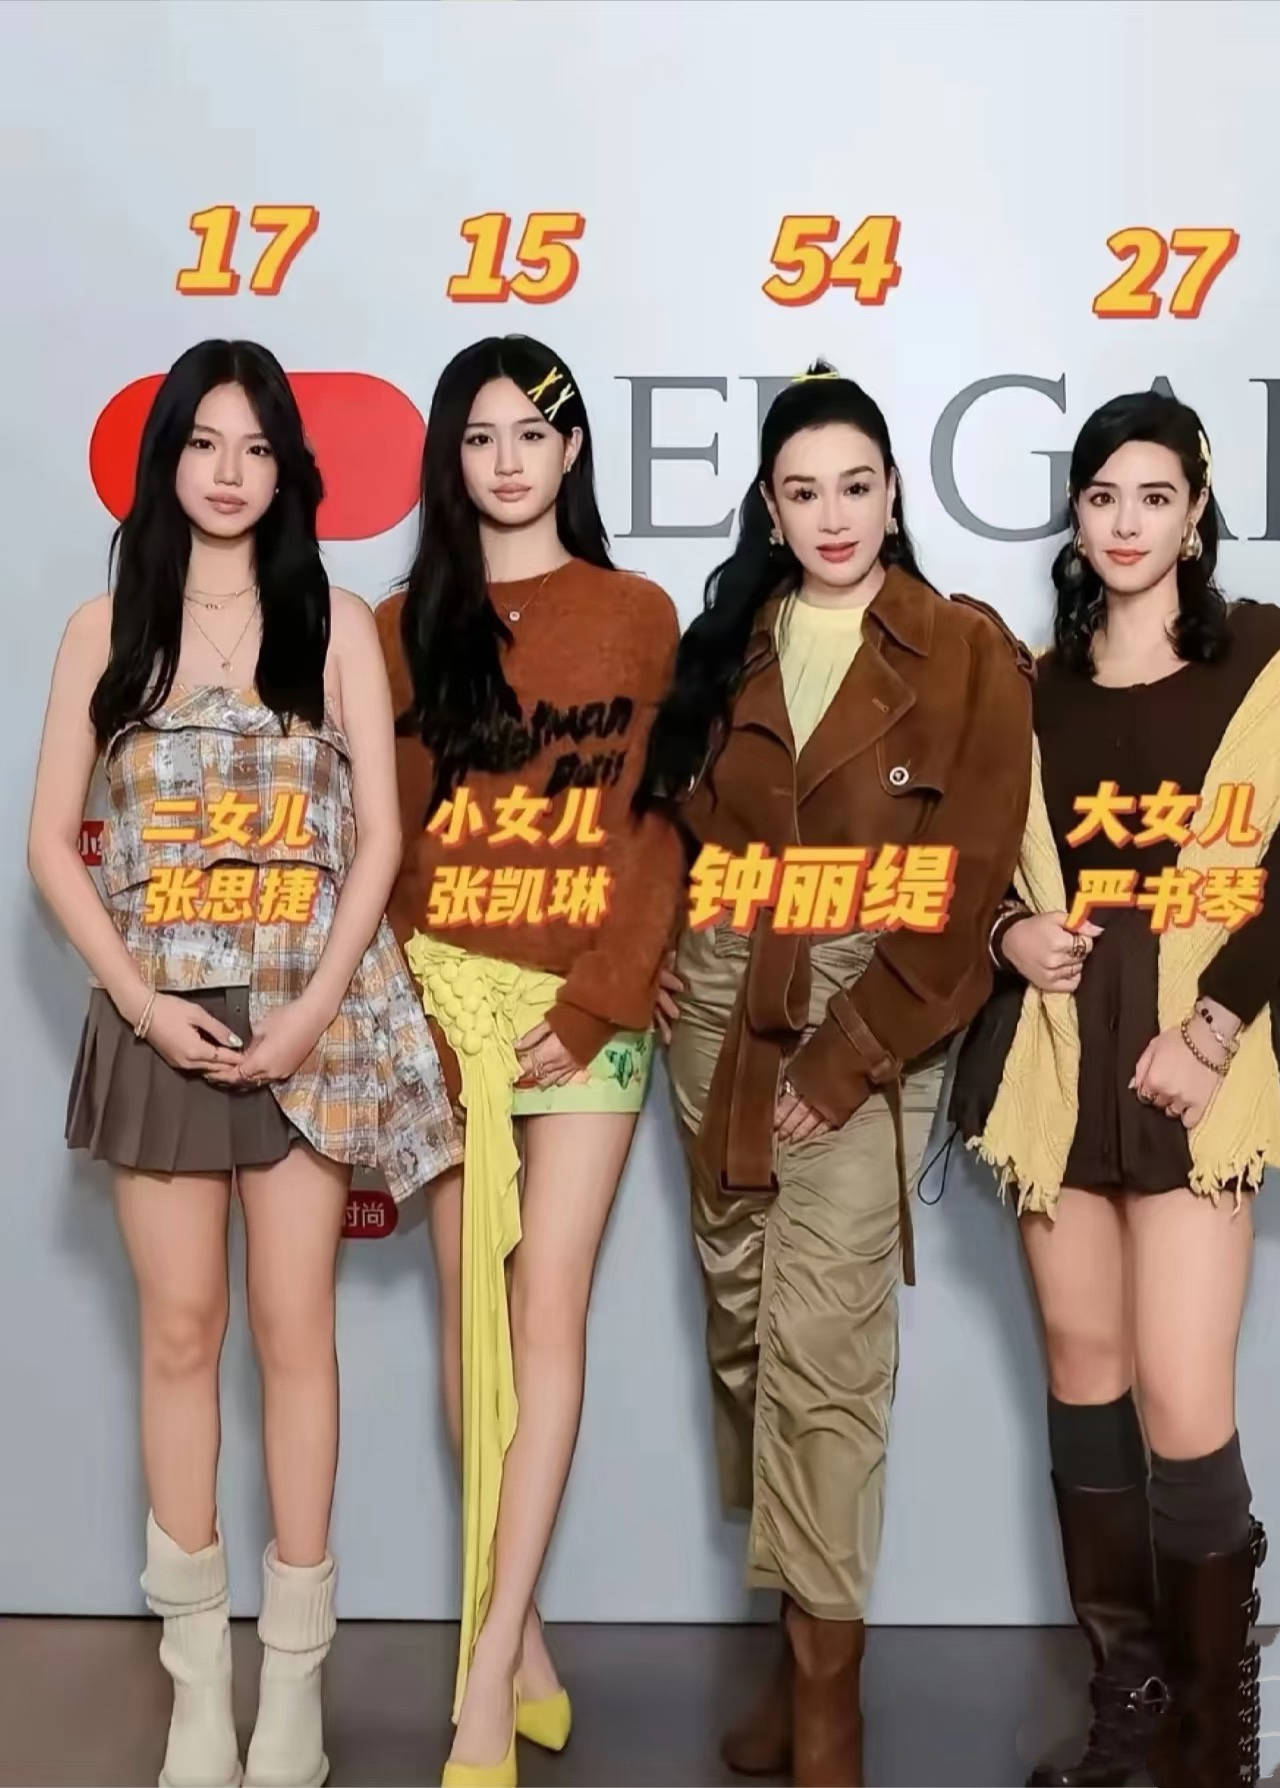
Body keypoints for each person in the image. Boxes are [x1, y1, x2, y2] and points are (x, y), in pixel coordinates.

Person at [951, 391, 1280, 1788]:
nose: (1127, 522)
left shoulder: (1268, 659)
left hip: (1194, 1054)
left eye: (1155, 496)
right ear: (1076, 515)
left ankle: (1213, 1735)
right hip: (1060, 1056)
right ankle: (1132, 1704)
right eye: (1103, 497)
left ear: (1197, 512)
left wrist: (1209, 1034)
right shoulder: (1033, 685)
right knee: (1082, 1374)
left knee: (1182, 1392)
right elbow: (986, 864)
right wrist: (1008, 936)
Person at [27, 338, 461, 1788]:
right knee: (178, 1335)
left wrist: (313, 1009)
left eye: (256, 447)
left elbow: (379, 843)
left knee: (295, 1337)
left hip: (305, 1021)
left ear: (288, 472)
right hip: (161, 1016)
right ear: (166, 462)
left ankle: (295, 1693)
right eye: (204, 443)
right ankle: (197, 1692)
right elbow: (50, 846)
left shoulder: (332, 624)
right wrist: (144, 1007)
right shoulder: (106, 628)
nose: (228, 472)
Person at [640, 363, 1034, 1788]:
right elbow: (675, 828)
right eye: (803, 492)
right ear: (769, 506)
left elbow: (968, 879)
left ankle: (830, 1709)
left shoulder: (965, 650)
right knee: (747, 1342)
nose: (833, 515)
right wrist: (673, 943)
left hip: (874, 1012)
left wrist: (859, 1049)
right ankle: (786, 1649)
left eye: (856, 485)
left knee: (829, 1354)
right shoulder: (726, 646)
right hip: (719, 1018)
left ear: (894, 490)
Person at [375, 335, 681, 1787]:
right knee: (471, 1332)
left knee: (545, 1309)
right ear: (453, 458)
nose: (507, 460)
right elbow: (388, 847)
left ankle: (487, 1668)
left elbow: (659, 827)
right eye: (479, 436)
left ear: (571, 452)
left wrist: (605, 999)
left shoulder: (636, 614)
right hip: (446, 1007)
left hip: (585, 1016)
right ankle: (529, 1639)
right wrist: (420, 1015)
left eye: (531, 434)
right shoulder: (400, 627)